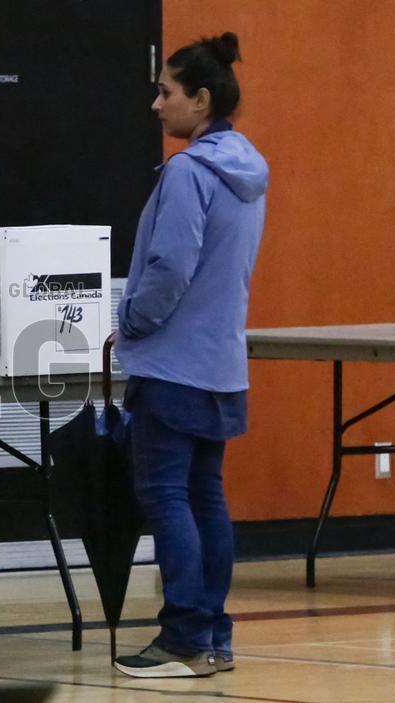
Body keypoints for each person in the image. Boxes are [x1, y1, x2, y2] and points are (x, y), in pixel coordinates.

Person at [112, 32, 268, 678]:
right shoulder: (249, 171)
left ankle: (181, 636)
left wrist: (129, 319)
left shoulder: (186, 172)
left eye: (166, 92)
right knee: (206, 494)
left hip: (172, 367)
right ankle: (212, 635)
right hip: (222, 367)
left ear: (200, 101)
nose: (156, 104)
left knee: (166, 494)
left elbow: (170, 267)